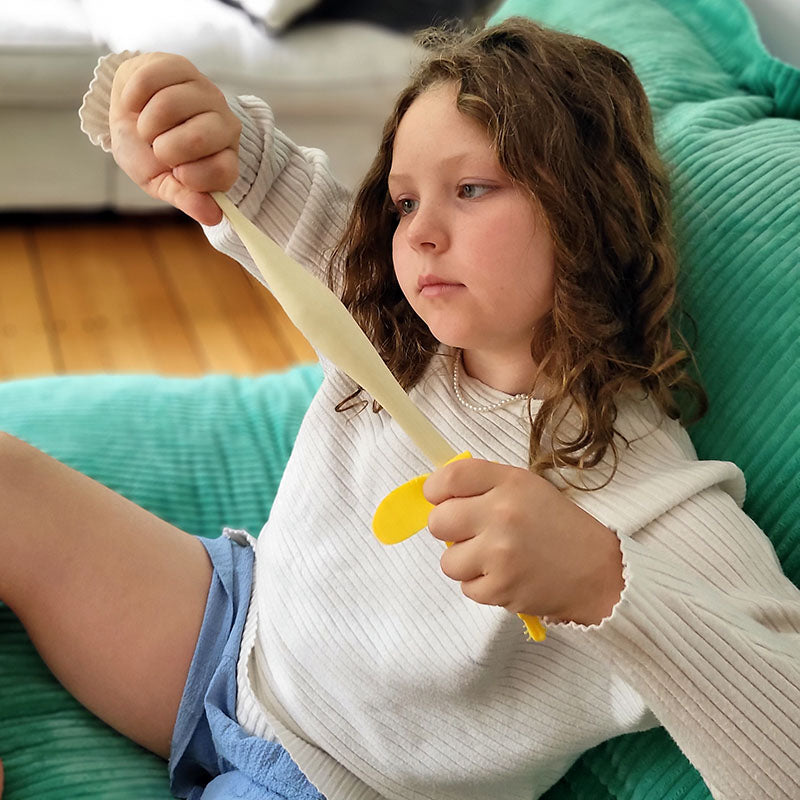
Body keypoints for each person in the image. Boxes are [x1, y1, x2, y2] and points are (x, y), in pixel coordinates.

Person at [1, 16, 798, 800]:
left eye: (471, 189)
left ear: (589, 209)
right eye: (406, 201)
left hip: (338, 783)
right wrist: (189, 125)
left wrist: (602, 584)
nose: (418, 235)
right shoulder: (393, 328)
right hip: (233, 631)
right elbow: (277, 193)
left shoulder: (661, 508)